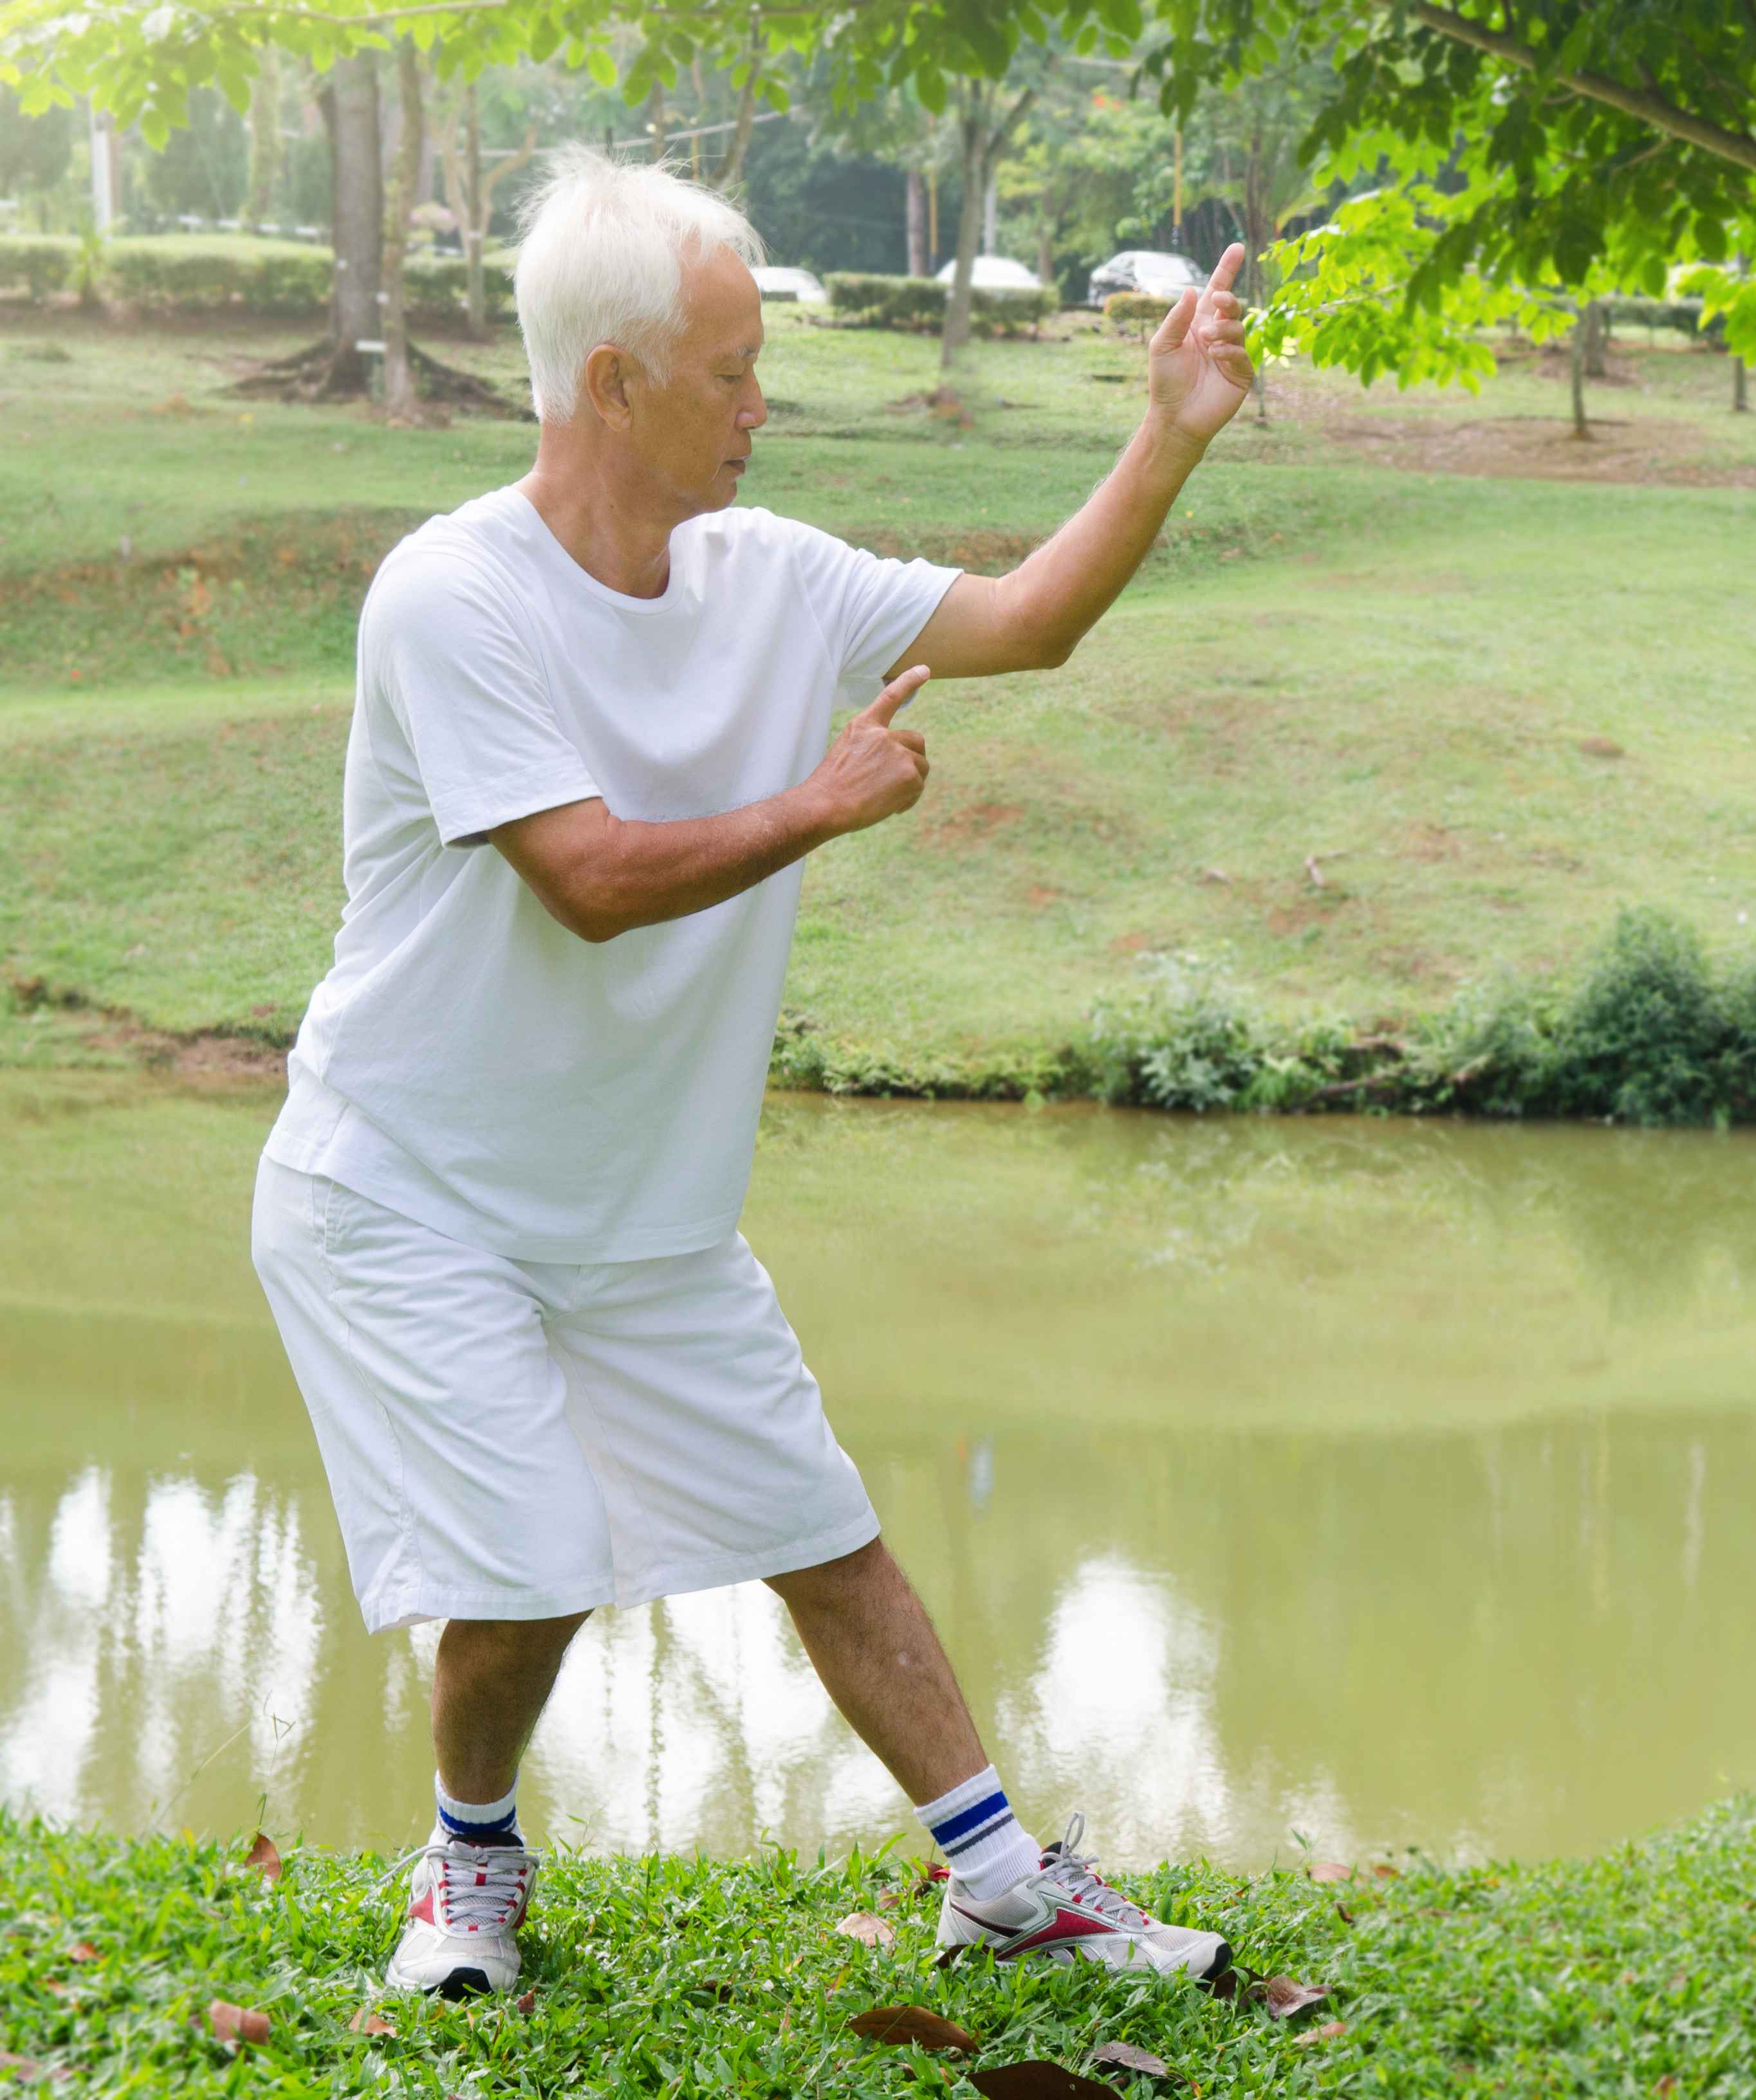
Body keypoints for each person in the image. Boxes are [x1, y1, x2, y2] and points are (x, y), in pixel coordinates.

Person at [245, 147, 1255, 1999]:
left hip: (640, 1218)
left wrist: (1173, 431)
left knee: (826, 1537)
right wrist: (821, 803)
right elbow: (593, 882)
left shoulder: (768, 575)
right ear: (614, 382)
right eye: (730, 369)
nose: (760, 401)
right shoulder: (450, 596)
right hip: (407, 1194)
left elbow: (1028, 621)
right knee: (535, 1555)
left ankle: (1002, 1884)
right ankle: (468, 1864)